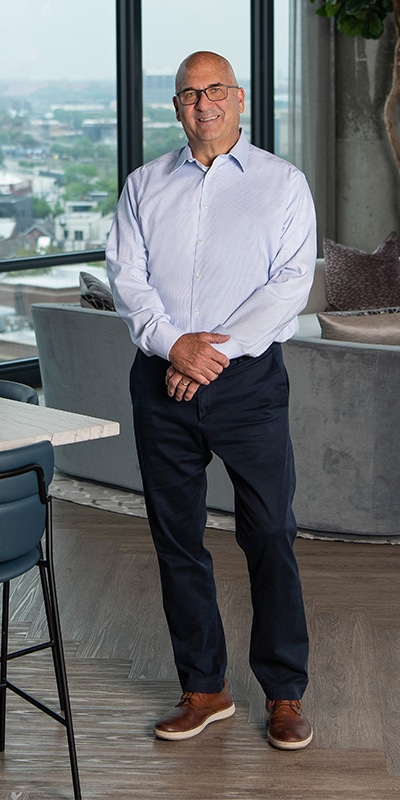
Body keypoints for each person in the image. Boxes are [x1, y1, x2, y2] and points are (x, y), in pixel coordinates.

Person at [106, 50, 316, 750]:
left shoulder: (283, 184)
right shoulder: (143, 185)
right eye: (190, 94)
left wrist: (205, 357)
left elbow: (288, 286)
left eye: (216, 89)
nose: (205, 103)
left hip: (248, 386)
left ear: (240, 97)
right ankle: (205, 689)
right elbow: (127, 278)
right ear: (177, 107)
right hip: (160, 383)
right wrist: (175, 347)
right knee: (177, 540)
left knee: (270, 534)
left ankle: (284, 693)